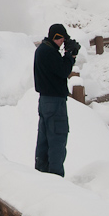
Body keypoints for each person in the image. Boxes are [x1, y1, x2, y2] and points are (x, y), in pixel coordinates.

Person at [33, 23, 80, 176]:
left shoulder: (42, 49)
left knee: (44, 141)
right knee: (57, 141)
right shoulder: (50, 52)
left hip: (45, 101)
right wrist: (69, 55)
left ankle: (41, 173)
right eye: (61, 39)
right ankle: (55, 178)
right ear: (55, 37)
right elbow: (63, 71)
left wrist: (67, 55)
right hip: (55, 102)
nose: (62, 42)